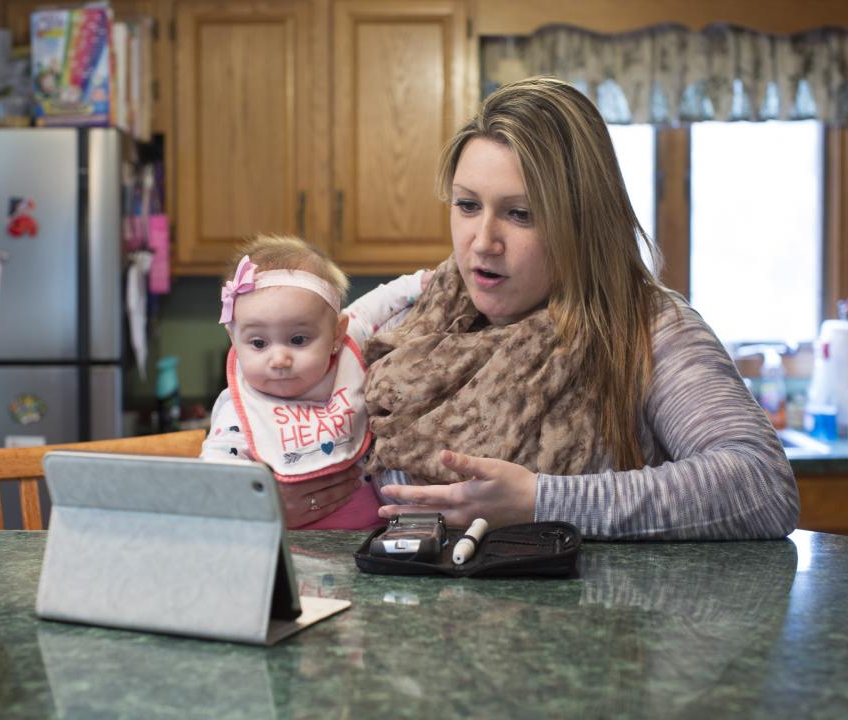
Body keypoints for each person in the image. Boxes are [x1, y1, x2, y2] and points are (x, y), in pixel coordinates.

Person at [360, 76, 800, 540]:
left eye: (521, 214)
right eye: (468, 205)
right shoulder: (406, 329)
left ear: (583, 221)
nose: (484, 242)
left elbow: (763, 486)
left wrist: (541, 502)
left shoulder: (647, 328)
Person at [201, 234, 427, 529]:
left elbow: (380, 302)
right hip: (295, 546)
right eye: (258, 343)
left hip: (372, 538)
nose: (279, 358)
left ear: (336, 335)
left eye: (298, 339)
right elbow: (217, 475)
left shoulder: (347, 351)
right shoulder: (240, 409)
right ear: (234, 338)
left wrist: (425, 282)